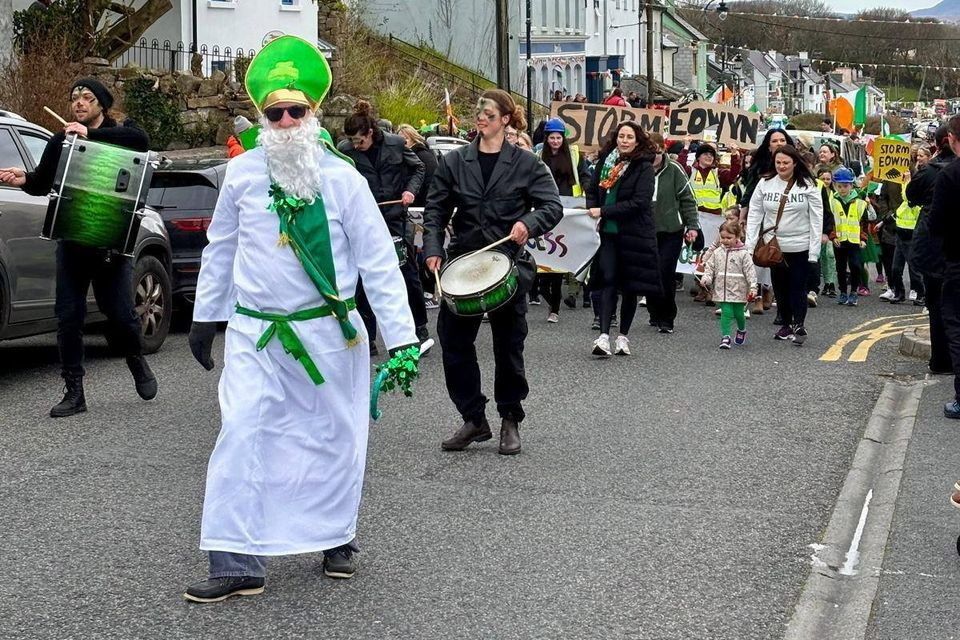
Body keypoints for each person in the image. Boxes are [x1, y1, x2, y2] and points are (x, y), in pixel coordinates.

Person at [182, 36, 420, 603]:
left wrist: (403, 336)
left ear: (314, 114)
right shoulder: (240, 177)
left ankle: (334, 537)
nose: (287, 120)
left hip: (326, 334)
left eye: (297, 110)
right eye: (276, 112)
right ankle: (235, 558)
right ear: (263, 118)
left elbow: (377, 260)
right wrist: (205, 316)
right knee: (241, 434)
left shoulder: (343, 179)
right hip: (255, 334)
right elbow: (221, 248)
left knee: (329, 440)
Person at [0, 78, 156, 418]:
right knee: (68, 318)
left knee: (121, 316)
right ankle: (74, 392)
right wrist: (22, 178)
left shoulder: (121, 133)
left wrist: (91, 136)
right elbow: (42, 183)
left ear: (101, 105)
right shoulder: (61, 140)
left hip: (110, 245)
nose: (79, 103)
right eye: (74, 98)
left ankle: (136, 362)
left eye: (87, 98)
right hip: (72, 242)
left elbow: (142, 142)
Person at [423, 90, 563, 455]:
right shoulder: (454, 161)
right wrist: (433, 250)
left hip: (507, 263)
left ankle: (510, 418)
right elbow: (435, 212)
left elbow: (551, 205)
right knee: (453, 344)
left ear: (505, 119)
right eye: (478, 111)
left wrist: (528, 223)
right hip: (463, 263)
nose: (480, 117)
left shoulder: (527, 164)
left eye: (487, 112)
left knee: (508, 345)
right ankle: (473, 418)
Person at [339, 100, 428, 352]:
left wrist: (410, 191)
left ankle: (418, 327)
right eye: (353, 142)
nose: (356, 146)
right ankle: (368, 336)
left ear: (370, 133)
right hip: (364, 219)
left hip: (394, 217)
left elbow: (418, 168)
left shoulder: (396, 144)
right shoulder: (345, 151)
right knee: (362, 278)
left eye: (360, 141)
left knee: (407, 273)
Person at [585, 121, 661, 357]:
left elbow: (640, 202)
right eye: (621, 136)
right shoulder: (606, 162)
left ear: (637, 141)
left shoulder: (644, 167)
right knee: (608, 279)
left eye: (629, 137)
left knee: (630, 286)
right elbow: (592, 189)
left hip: (634, 233)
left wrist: (604, 211)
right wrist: (593, 209)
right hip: (608, 233)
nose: (624, 140)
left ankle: (623, 337)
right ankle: (604, 336)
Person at [746, 145, 823, 346]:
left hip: (800, 246)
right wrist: (749, 245)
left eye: (786, 163)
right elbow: (755, 214)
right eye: (778, 162)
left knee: (797, 287)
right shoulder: (765, 183)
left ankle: (799, 324)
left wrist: (814, 252)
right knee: (780, 289)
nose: (781, 166)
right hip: (774, 248)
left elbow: (817, 219)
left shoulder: (808, 185)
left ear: (795, 163)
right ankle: (786, 324)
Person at [908, 125, 954, 376]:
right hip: (948, 247)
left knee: (936, 305)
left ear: (936, 145)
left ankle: (940, 361)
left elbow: (911, 195)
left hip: (931, 247)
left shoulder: (928, 172)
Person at [646, 132, 699, 333]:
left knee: (665, 271)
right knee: (650, 272)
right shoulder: (639, 169)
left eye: (656, 152)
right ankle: (654, 310)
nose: (653, 157)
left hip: (671, 230)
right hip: (646, 231)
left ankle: (667, 316)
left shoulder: (675, 170)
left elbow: (688, 199)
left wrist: (692, 226)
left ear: (663, 150)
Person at [538, 118, 589, 323]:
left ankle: (555, 308)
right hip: (545, 209)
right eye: (552, 138)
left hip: (569, 210)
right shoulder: (538, 156)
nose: (556, 141)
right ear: (547, 138)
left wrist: (588, 195)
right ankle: (547, 296)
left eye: (559, 138)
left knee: (558, 259)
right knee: (543, 260)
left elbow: (584, 176)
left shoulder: (575, 155)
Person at [926, 114, 960, 418]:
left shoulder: (950, 175)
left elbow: (936, 223)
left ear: (951, 139)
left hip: (957, 261)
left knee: (957, 324)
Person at [740, 129, 794, 316]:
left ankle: (773, 293)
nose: (778, 143)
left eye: (782, 140)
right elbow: (751, 190)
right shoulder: (760, 166)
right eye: (774, 140)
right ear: (768, 144)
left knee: (784, 263)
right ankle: (758, 295)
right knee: (762, 254)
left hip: (790, 220)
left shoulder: (798, 166)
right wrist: (743, 213)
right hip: (764, 217)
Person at [701, 219, 757, 349]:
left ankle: (741, 329)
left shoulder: (743, 254)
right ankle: (725, 336)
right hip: (722, 289)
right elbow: (710, 267)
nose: (725, 240)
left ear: (737, 237)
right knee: (726, 312)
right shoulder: (717, 252)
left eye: (729, 237)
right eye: (722, 237)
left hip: (739, 289)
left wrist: (753, 287)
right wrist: (706, 278)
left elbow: (750, 272)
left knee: (738, 313)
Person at [888, 147, 929, 305]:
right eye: (917, 155)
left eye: (921, 155)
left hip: (912, 232)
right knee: (896, 268)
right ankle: (900, 293)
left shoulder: (919, 181)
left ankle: (920, 294)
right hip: (901, 230)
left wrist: (906, 182)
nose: (918, 158)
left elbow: (908, 197)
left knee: (914, 268)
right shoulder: (913, 175)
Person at [828, 167, 874, 306]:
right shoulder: (833, 200)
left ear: (851, 185)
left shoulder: (859, 201)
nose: (842, 189)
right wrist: (833, 236)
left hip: (854, 240)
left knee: (855, 266)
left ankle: (854, 292)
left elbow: (864, 222)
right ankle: (843, 292)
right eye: (839, 186)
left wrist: (863, 238)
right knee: (840, 268)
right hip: (839, 240)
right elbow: (830, 221)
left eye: (845, 186)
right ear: (835, 185)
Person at [397, 124, 438, 208]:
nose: (403, 142)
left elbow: (430, 182)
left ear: (413, 139)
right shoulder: (402, 156)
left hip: (420, 203)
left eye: (406, 139)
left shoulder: (424, 156)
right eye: (400, 140)